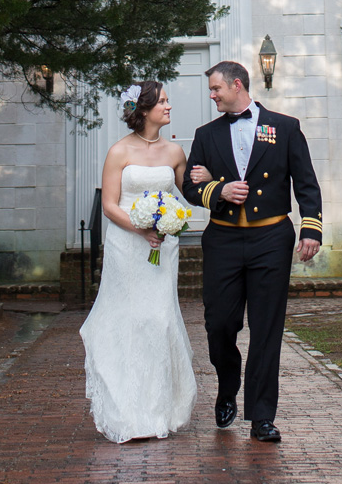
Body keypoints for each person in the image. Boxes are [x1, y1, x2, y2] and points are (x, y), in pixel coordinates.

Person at [183, 61, 323, 443]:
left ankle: (262, 416)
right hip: (224, 241)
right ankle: (228, 384)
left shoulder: (285, 127)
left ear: (237, 85)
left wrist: (311, 228)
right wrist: (219, 190)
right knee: (219, 325)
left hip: (271, 240)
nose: (211, 95)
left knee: (266, 329)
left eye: (215, 89)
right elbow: (189, 187)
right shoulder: (206, 135)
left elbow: (306, 183)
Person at [81, 80, 197, 443]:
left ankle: (159, 409)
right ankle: (127, 410)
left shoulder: (175, 152)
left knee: (159, 318)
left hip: (162, 248)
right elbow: (110, 204)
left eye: (167, 101)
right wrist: (140, 226)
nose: (169, 107)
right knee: (130, 319)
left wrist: (200, 193)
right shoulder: (119, 152)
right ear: (143, 110)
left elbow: (188, 193)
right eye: (162, 102)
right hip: (126, 246)